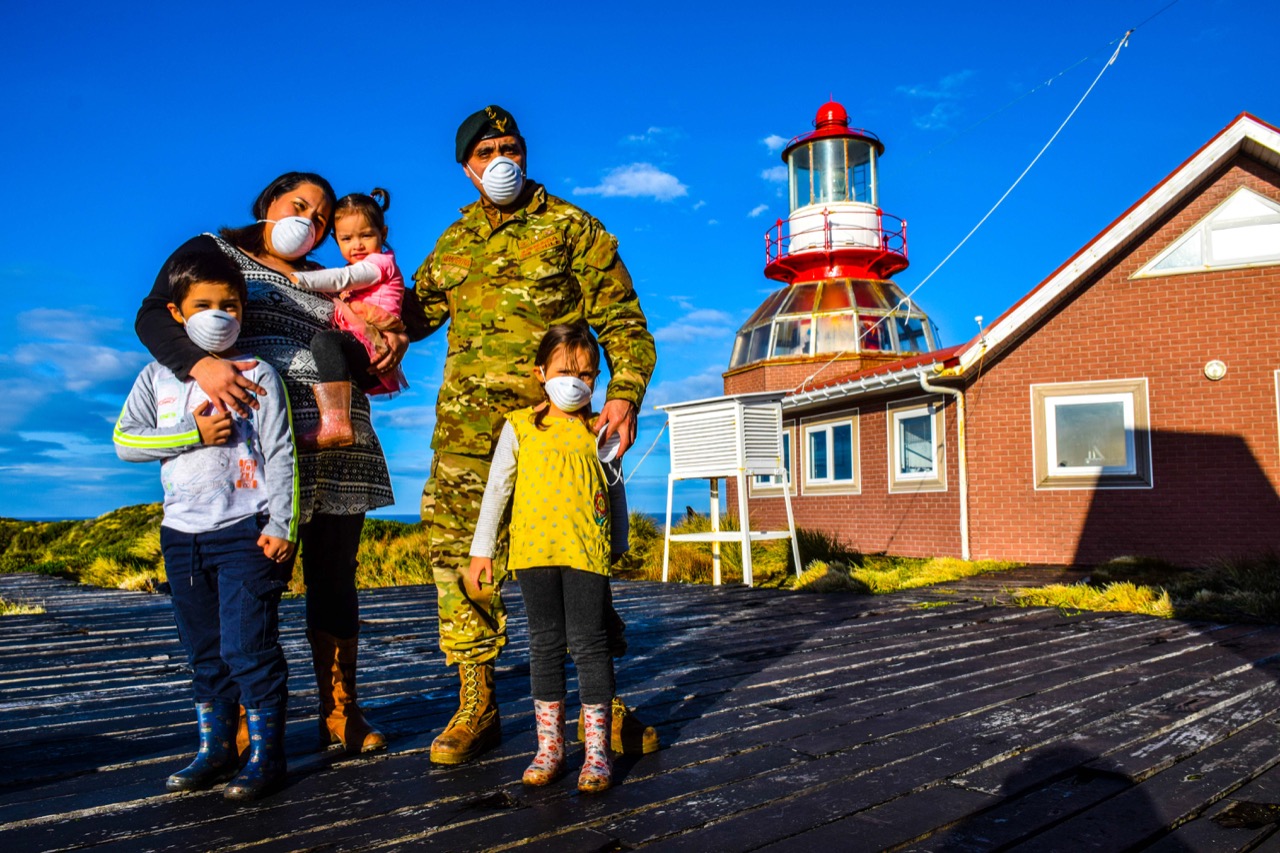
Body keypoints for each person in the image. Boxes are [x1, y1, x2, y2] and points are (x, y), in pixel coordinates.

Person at [405, 105, 658, 766]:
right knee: (461, 564)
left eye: (509, 145)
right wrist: (357, 297)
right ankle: (477, 703)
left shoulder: (572, 227)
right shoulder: (454, 240)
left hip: (557, 437)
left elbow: (624, 320)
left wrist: (625, 392)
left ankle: (600, 707)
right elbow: (408, 314)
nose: (500, 160)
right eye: (486, 151)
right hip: (467, 434)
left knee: (581, 567)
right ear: (467, 167)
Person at [136, 171, 399, 758]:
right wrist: (197, 366)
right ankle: (239, 718)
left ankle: (340, 712)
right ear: (268, 204)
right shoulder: (215, 250)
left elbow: (366, 329)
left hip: (341, 442)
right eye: (299, 204)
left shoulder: (327, 279)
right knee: (252, 583)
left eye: (323, 217)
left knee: (336, 575)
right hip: (261, 442)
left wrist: (388, 341)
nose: (311, 219)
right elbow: (154, 314)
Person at [114, 251, 296, 801]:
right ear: (176, 312)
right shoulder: (155, 377)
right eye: (204, 305)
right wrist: (191, 436)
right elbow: (126, 443)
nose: (218, 315)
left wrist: (284, 523)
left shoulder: (259, 373)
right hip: (181, 536)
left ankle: (267, 756)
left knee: (249, 646)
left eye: (230, 305)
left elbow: (282, 452)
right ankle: (214, 750)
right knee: (204, 651)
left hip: (247, 530)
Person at [468, 324, 629, 793]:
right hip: (533, 553)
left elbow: (615, 490)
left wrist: (617, 546)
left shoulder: (602, 429)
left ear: (596, 380)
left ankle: (597, 751)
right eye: (564, 370)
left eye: (585, 373)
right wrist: (483, 551)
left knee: (589, 643)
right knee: (543, 643)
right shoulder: (519, 425)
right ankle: (550, 748)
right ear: (542, 373)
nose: (574, 380)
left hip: (586, 553)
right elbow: (497, 489)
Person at [291, 188, 408, 449]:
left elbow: (342, 279)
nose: (357, 245)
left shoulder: (379, 263)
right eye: (346, 238)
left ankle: (335, 423)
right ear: (336, 239)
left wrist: (298, 278)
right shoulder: (356, 267)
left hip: (372, 347)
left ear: (383, 234)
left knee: (326, 343)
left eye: (366, 235)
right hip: (364, 351)